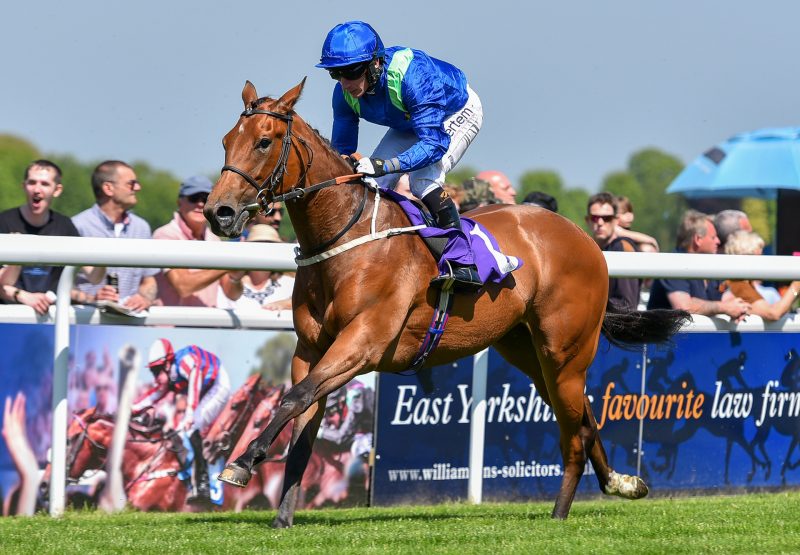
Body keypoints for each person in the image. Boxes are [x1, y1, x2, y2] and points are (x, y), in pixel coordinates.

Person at [317, 20, 483, 291]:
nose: (345, 82)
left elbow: (434, 144)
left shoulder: (414, 75)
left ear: (376, 63)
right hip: (409, 120)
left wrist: (386, 164)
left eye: (352, 71)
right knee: (370, 185)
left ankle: (463, 261)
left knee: (422, 182)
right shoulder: (343, 94)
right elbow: (342, 153)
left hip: (454, 112)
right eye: (336, 73)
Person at [132, 338, 231, 505]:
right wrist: (131, 409)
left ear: (167, 364)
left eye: (156, 371)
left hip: (219, 384)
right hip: (207, 389)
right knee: (182, 431)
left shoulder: (184, 362)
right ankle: (195, 481)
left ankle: (203, 485)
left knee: (190, 428)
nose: (155, 377)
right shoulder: (169, 373)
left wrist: (191, 412)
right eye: (152, 372)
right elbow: (154, 394)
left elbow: (195, 381)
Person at [0, 160, 104, 315]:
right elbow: (3, 284)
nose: (37, 189)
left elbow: (94, 277)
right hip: (9, 314)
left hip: (51, 317)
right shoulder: (4, 221)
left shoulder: (65, 225)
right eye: (32, 182)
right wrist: (22, 295)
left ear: (57, 190)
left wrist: (103, 255)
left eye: (45, 184)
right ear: (24, 186)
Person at [71, 160, 158, 311]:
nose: (138, 187)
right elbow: (59, 284)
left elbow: (149, 280)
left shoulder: (141, 227)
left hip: (129, 325)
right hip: (85, 325)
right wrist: (93, 299)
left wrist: (143, 298)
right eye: (131, 183)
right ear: (108, 188)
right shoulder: (78, 225)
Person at [647, 209, 750, 322]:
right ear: (698, 239)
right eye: (713, 237)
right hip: (666, 338)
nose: (718, 241)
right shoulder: (673, 264)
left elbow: (726, 297)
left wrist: (739, 308)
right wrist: (724, 307)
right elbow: (683, 307)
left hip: (691, 338)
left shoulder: (709, 267)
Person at [153, 176, 238, 307]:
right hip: (171, 324)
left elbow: (233, 294)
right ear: (179, 202)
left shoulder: (214, 239)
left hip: (207, 324)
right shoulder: (166, 234)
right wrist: (229, 265)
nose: (199, 204)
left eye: (205, 199)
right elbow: (183, 286)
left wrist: (236, 277)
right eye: (193, 198)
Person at [723, 230, 800, 321]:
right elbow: (773, 314)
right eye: (760, 256)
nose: (764, 261)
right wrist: (796, 285)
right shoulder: (738, 285)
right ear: (746, 258)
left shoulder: (741, 283)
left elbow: (766, 309)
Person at [218, 225, 295, 311]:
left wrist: (286, 304)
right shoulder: (232, 282)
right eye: (259, 244)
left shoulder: (288, 283)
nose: (264, 250)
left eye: (270, 245)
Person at [585, 192, 641, 311]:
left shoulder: (623, 248)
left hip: (619, 327)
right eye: (595, 218)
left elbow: (627, 305)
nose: (600, 223)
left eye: (606, 218)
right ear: (587, 220)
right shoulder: (588, 251)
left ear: (615, 221)